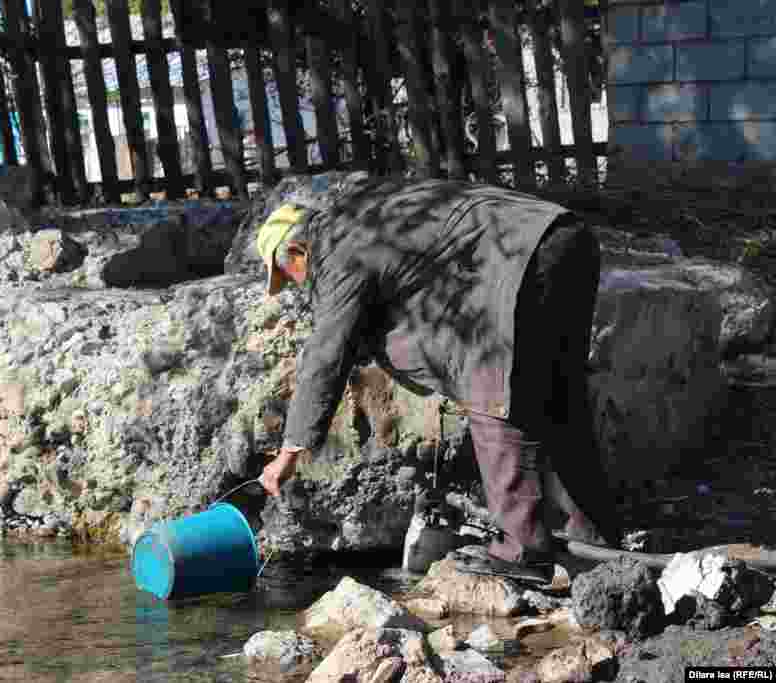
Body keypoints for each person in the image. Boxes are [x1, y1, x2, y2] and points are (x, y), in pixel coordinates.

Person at [253, 177, 620, 584]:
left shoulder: (337, 250)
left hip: (516, 262)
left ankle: (520, 553)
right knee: (558, 399)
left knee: (491, 394)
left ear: (297, 250)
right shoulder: (366, 215)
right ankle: (598, 550)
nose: (295, 287)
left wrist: (288, 454)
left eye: (288, 276)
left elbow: (326, 354)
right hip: (565, 237)